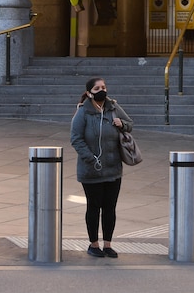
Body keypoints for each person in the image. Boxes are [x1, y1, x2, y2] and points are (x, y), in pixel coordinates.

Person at [70, 77, 134, 258]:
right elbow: (76, 138)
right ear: (90, 92)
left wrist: (122, 124)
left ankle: (108, 244)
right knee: (94, 206)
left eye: (104, 87)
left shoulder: (113, 107)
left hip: (113, 168)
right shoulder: (83, 112)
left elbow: (130, 125)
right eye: (97, 88)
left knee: (109, 207)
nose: (101, 90)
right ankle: (93, 244)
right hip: (91, 170)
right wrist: (91, 159)